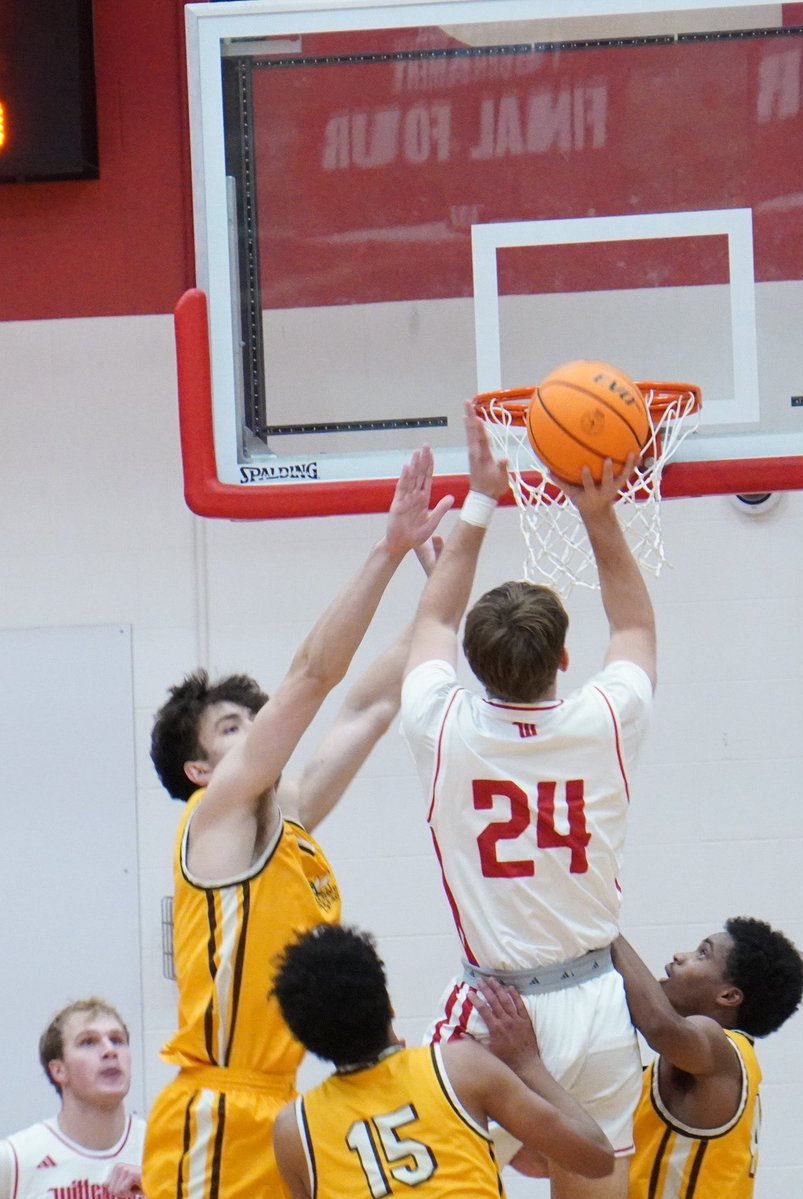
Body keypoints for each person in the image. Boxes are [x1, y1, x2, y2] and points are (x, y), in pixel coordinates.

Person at [141, 448, 452, 1199]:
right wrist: (388, 549)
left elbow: (374, 705)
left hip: (280, 1105)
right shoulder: (212, 818)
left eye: (255, 719)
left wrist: (447, 591)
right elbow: (314, 677)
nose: (254, 730)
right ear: (200, 770)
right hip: (213, 1104)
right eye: (230, 728)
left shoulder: (294, 815)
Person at [399, 404, 656, 1198]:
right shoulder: (607, 718)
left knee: (424, 1179)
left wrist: (481, 497)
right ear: (566, 658)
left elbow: (435, 616)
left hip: (497, 1009)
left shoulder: (441, 726)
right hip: (599, 1004)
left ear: (470, 666)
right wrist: (598, 511)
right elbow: (635, 620)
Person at [270, 924, 614, 1197]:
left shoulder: (292, 1130)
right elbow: (597, 1157)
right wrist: (527, 1064)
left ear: (305, 1041)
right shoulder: (460, 1068)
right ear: (388, 1003)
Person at [613, 920, 803, 1199]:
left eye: (702, 954)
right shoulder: (709, 1062)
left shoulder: (721, 1050)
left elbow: (659, 1026)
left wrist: (603, 926)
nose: (680, 956)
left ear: (728, 996)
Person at [0, 998, 145, 1199]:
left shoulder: (168, 1150)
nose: (110, 1050)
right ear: (59, 1070)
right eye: (88, 1042)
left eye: (117, 1040)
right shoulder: (14, 1159)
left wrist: (163, 1189)